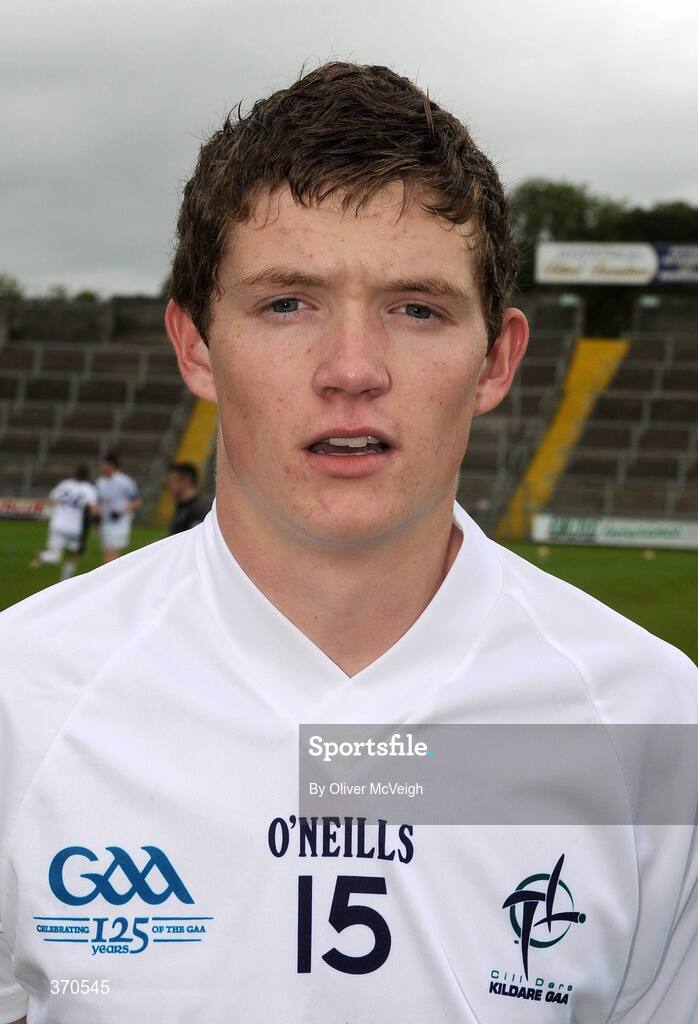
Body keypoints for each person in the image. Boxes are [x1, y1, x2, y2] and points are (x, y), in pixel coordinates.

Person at [0, 63, 696, 1024]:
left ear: (497, 360)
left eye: (418, 307)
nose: (353, 371)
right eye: (288, 302)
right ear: (197, 345)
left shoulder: (653, 728)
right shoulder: (20, 697)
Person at [29, 464, 97, 581]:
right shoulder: (88, 488)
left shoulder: (64, 484)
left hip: (58, 525)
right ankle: (65, 581)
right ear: (87, 476)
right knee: (72, 555)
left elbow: (50, 501)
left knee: (54, 557)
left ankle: (42, 556)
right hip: (75, 527)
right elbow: (94, 509)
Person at [94, 453, 141, 562]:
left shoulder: (125, 481)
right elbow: (99, 502)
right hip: (105, 522)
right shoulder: (100, 482)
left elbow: (137, 501)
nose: (102, 467)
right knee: (107, 553)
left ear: (112, 465)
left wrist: (121, 512)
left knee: (112, 554)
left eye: (105, 465)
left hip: (120, 522)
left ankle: (108, 577)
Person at [166, 461, 210, 534]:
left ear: (187, 480)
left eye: (173, 480)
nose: (169, 485)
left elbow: (197, 538)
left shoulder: (198, 509)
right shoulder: (182, 506)